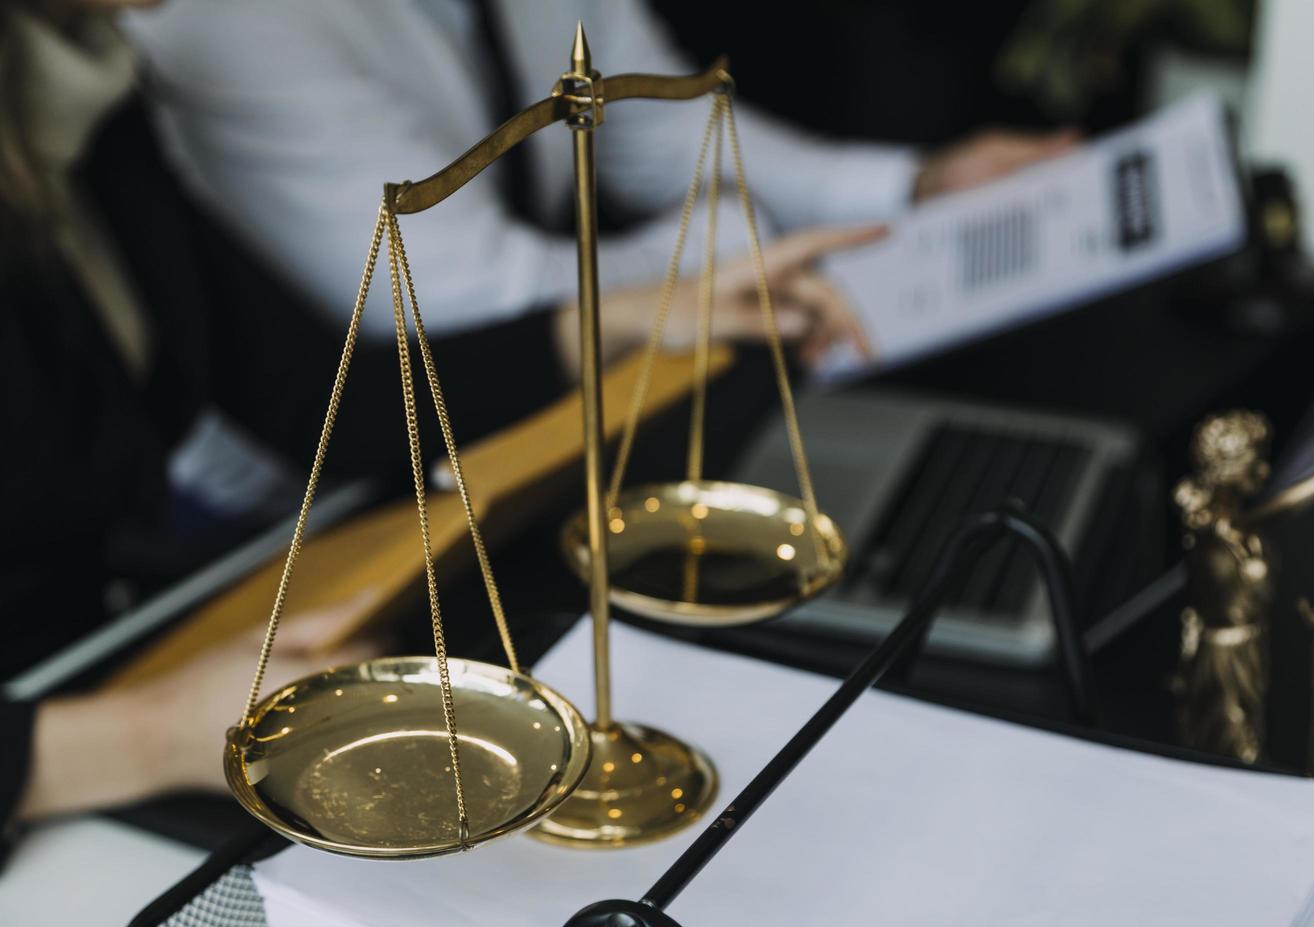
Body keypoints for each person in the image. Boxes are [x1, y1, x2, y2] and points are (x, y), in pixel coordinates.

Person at [0, 0, 886, 845]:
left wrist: (618, 320)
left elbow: (303, 392)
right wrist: (147, 736)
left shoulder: (81, 102)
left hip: (112, 666)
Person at [121, 0, 1077, 352]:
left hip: (541, 386)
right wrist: (718, 241)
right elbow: (446, 302)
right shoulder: (227, 21)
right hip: (316, 496)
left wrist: (915, 186)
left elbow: (666, 134)